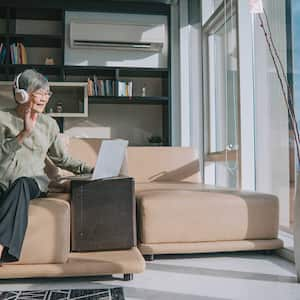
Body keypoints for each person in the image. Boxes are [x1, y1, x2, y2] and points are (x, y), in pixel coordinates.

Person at [0, 69, 93, 264]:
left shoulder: (49, 125)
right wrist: (24, 133)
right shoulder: (2, 118)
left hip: (32, 184)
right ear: (22, 94)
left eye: (47, 93)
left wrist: (90, 169)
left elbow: (62, 159)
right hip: (2, 183)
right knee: (14, 188)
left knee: (22, 184)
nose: (44, 98)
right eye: (39, 93)